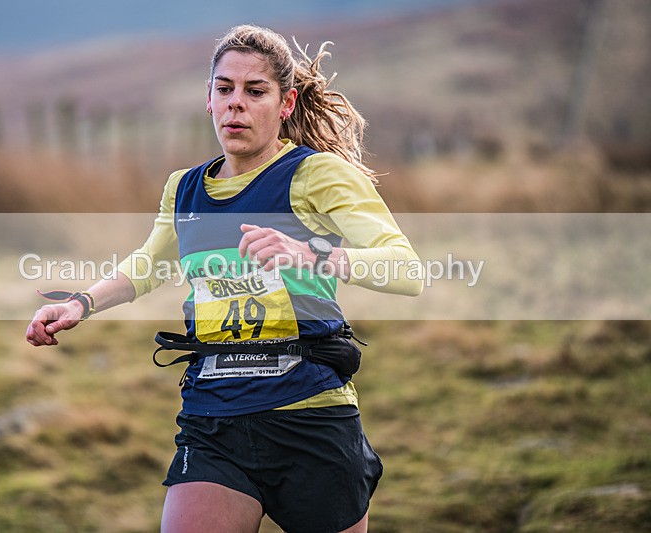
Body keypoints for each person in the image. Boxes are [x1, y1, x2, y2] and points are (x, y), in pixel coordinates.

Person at [26, 24, 422, 533]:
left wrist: (312, 253)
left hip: (308, 413)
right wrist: (79, 303)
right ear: (209, 100)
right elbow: (149, 264)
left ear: (285, 104)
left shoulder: (316, 175)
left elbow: (405, 269)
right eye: (225, 88)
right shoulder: (185, 188)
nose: (236, 103)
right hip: (214, 414)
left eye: (255, 91)